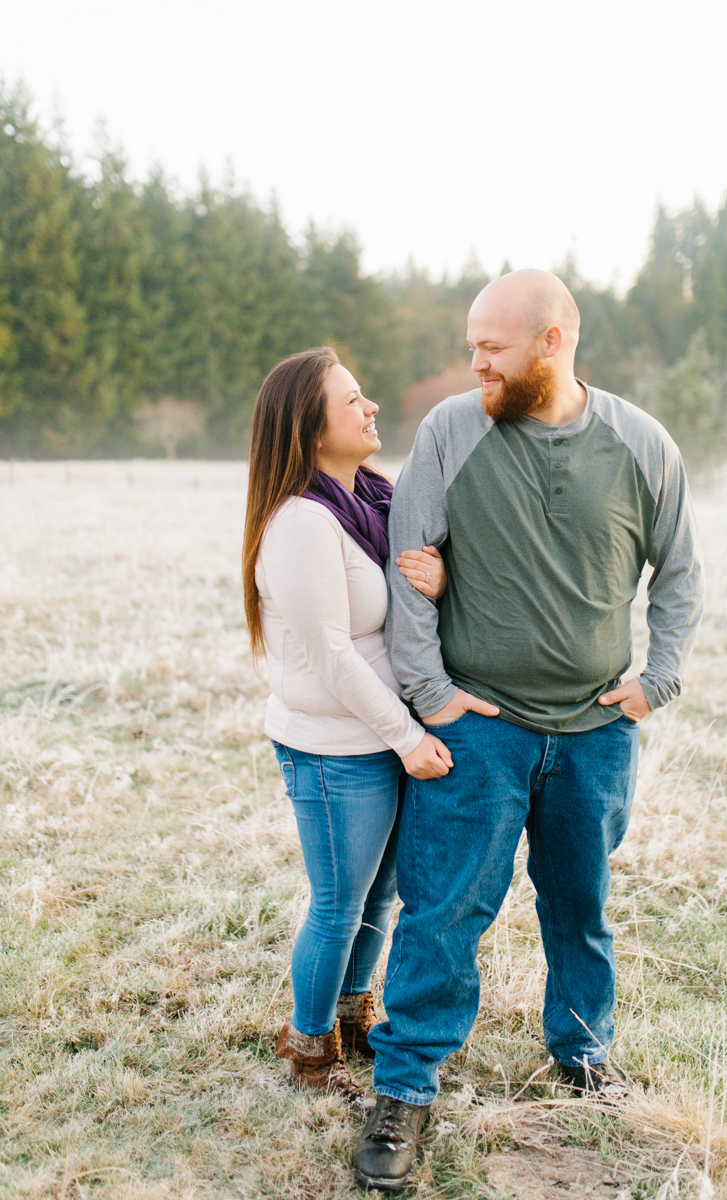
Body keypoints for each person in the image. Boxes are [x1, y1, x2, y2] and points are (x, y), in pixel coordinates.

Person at [354, 270, 704, 1191]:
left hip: (595, 732)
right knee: (444, 912)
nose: (475, 363)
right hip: (482, 727)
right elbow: (408, 563)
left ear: (553, 342)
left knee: (579, 907)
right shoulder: (452, 432)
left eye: (493, 347)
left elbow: (680, 575)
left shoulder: (642, 444)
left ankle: (584, 1056)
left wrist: (655, 681)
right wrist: (430, 694)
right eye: (472, 344)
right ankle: (406, 1084)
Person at [242, 346, 453, 1110]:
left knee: (381, 899)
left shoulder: (371, 497)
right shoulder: (301, 522)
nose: (370, 409)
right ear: (308, 428)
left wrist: (440, 576)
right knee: (339, 903)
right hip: (337, 748)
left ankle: (352, 1014)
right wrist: (405, 737)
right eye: (352, 400)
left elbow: (401, 600)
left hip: (385, 735)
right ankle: (308, 1048)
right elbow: (332, 655)